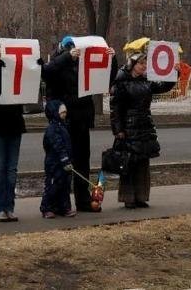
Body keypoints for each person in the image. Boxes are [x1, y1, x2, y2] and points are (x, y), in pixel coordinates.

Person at [41, 36, 116, 213]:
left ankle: (82, 201)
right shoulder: (59, 62)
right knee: (63, 165)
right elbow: (46, 72)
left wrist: (112, 60)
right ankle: (60, 203)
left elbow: (106, 79)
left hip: (81, 119)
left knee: (82, 162)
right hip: (64, 121)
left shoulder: (84, 64)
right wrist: (67, 57)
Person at [109, 52, 176, 208]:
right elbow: (115, 109)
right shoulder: (121, 82)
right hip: (128, 127)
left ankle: (141, 196)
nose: (144, 66)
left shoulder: (146, 81)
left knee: (143, 162)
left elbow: (163, 87)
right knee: (129, 163)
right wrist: (118, 129)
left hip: (144, 126)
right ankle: (128, 198)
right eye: (141, 63)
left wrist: (175, 73)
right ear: (133, 64)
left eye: (146, 64)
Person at [0, 39, 28, 222]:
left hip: (14, 124)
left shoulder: (15, 71)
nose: (2, 59)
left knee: (11, 169)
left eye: (4, 55)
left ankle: (9, 207)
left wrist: (35, 65)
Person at [40, 100, 76, 218]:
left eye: (65, 112)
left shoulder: (63, 126)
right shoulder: (52, 129)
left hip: (64, 162)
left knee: (65, 185)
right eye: (62, 113)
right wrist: (65, 159)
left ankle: (64, 207)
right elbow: (58, 145)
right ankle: (47, 207)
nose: (64, 115)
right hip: (54, 163)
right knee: (53, 185)